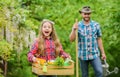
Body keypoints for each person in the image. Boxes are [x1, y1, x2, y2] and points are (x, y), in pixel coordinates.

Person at [69, 6, 106, 77]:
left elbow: (99, 39)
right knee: (85, 75)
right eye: (85, 14)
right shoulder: (77, 25)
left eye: (88, 14)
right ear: (81, 14)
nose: (86, 15)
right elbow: (71, 39)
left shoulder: (96, 25)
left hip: (94, 54)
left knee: (99, 72)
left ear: (90, 14)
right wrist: (73, 30)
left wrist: (103, 53)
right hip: (83, 55)